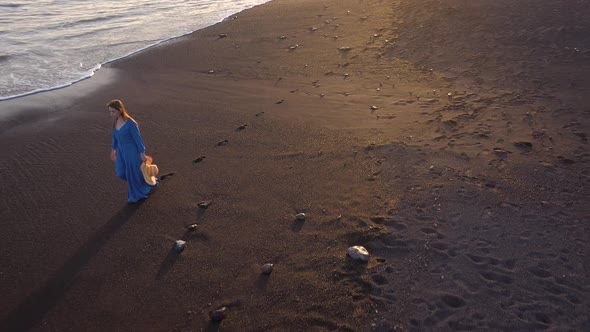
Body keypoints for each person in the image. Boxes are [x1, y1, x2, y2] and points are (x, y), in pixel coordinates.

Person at [108, 99, 158, 203]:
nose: (111, 114)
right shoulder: (115, 121)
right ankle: (145, 181)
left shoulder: (131, 123)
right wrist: (114, 149)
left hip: (132, 151)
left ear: (120, 110)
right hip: (122, 152)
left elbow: (138, 139)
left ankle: (136, 195)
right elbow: (115, 136)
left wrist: (142, 153)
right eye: (110, 111)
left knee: (132, 173)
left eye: (113, 111)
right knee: (120, 172)